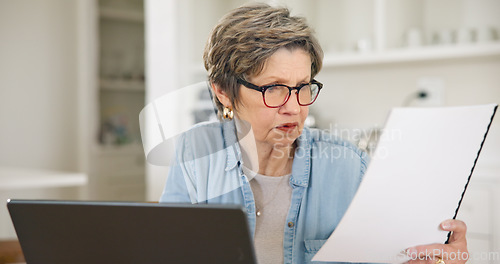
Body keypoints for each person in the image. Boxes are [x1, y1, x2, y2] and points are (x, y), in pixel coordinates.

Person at [159, 3, 468, 264]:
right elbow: (164, 251)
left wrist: (437, 257)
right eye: (274, 88)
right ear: (224, 91)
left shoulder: (349, 166)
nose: (294, 108)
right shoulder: (193, 154)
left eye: (302, 87)